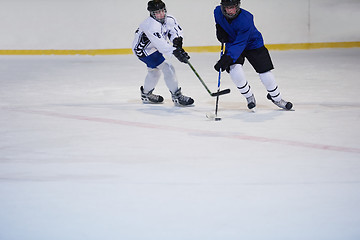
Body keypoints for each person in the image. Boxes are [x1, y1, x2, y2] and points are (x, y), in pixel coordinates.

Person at [213, 0, 293, 110]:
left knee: (265, 72)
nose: (231, 11)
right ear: (223, 8)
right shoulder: (217, 12)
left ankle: (277, 98)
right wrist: (220, 29)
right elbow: (219, 22)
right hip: (233, 43)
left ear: (238, 6)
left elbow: (241, 43)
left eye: (233, 7)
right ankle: (249, 96)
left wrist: (228, 58)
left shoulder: (246, 18)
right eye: (228, 8)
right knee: (235, 71)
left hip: (253, 44)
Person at [132, 0, 194, 106]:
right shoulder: (150, 25)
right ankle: (177, 96)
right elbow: (161, 44)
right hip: (144, 50)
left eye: (162, 11)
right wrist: (176, 52)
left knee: (154, 72)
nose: (161, 14)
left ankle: (146, 94)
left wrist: (177, 40)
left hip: (153, 47)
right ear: (152, 14)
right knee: (168, 68)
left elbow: (175, 30)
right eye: (157, 12)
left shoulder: (169, 18)